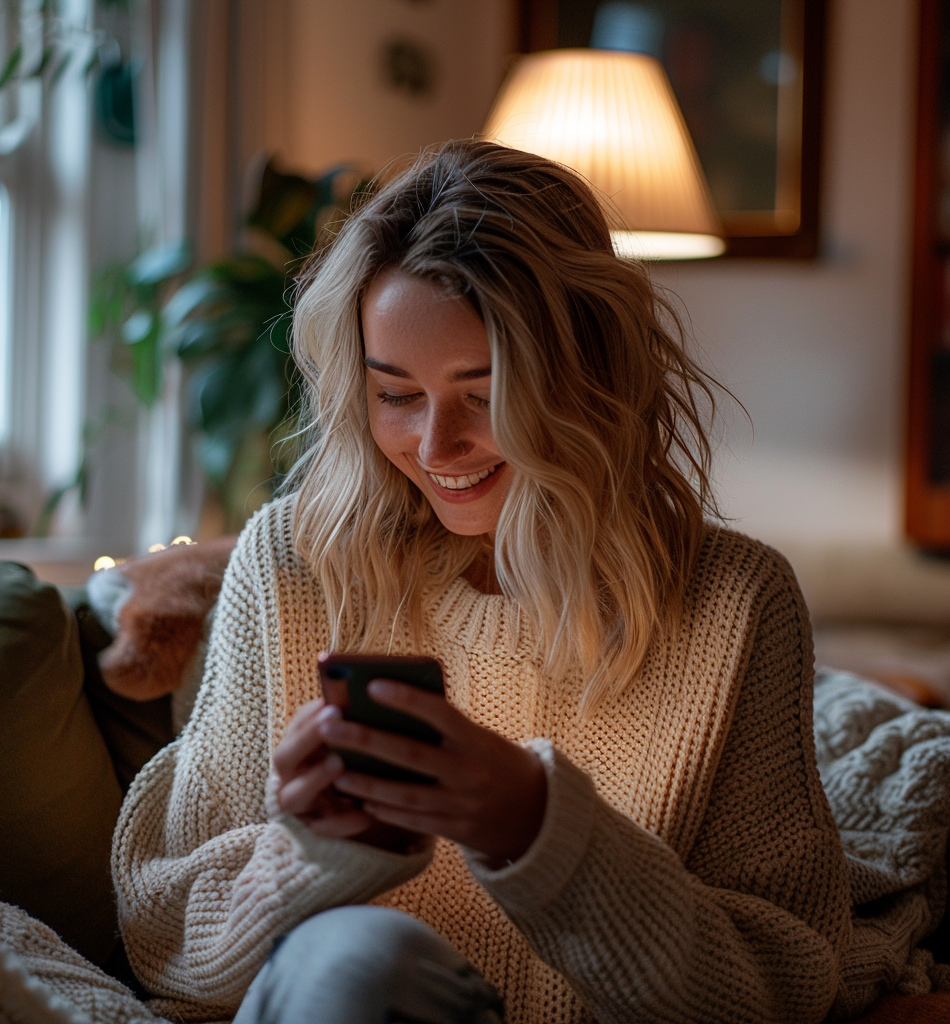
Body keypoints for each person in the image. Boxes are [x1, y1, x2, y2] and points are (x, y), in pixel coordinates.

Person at [112, 139, 853, 1024]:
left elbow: (783, 989)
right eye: (397, 394)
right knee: (360, 960)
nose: (435, 448)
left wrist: (539, 831)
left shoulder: (734, 603)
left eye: (485, 389)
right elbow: (167, 941)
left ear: (585, 375)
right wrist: (311, 855)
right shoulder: (294, 564)